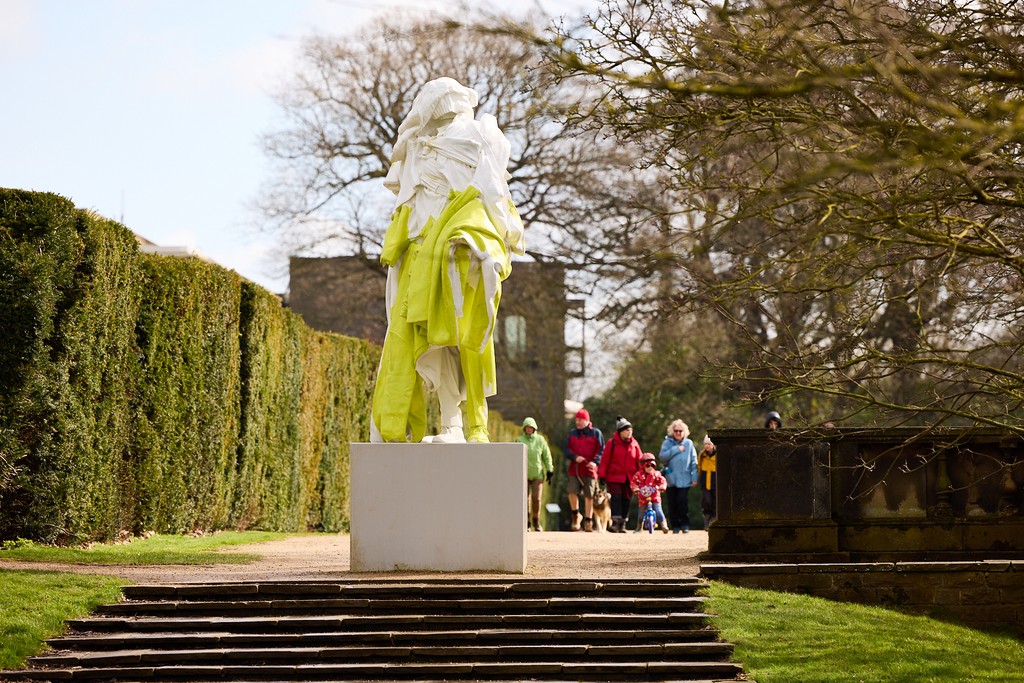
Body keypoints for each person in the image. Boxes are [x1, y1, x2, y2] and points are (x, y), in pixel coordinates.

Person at [370, 77, 526, 444]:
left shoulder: (476, 139)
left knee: (464, 340)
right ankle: (451, 424)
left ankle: (473, 426)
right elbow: (408, 207)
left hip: (461, 250)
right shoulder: (416, 148)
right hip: (421, 256)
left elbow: (492, 198)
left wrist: (494, 243)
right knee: (426, 342)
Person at [598, 416, 642, 533]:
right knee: (616, 498)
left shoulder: (634, 444)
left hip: (630, 477)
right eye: (627, 430)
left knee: (626, 499)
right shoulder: (611, 443)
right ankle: (615, 523)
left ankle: (623, 523)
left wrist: (642, 476)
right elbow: (605, 460)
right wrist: (601, 476)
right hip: (615, 476)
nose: (629, 432)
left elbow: (639, 460)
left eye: (630, 430)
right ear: (620, 431)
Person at [564, 408, 604, 531]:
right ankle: (576, 516)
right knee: (571, 492)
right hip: (574, 468)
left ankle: (588, 521)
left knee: (589, 495)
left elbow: (602, 450)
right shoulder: (572, 433)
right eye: (576, 420)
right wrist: (575, 457)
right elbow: (566, 449)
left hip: (589, 469)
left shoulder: (596, 433)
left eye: (580, 420)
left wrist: (595, 462)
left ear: (587, 420)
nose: (578, 422)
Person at [658, 419, 698, 533]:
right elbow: (662, 456)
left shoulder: (689, 443)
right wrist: (676, 449)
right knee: (672, 503)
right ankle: (675, 526)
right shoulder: (667, 443)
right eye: (676, 431)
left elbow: (694, 462)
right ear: (672, 431)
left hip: (685, 478)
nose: (678, 433)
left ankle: (685, 524)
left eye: (681, 431)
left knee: (682, 502)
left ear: (684, 432)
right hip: (671, 478)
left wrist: (695, 478)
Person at [518, 417, 553, 531]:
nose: (529, 429)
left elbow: (546, 456)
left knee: (536, 499)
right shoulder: (519, 440)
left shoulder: (540, 440)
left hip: (538, 475)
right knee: (525, 499)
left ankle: (536, 522)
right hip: (524, 475)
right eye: (527, 427)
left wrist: (549, 470)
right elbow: (515, 457)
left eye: (531, 427)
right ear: (524, 428)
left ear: (534, 428)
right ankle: (526, 523)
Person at [630, 452, 669, 533]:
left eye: (652, 465)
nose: (650, 468)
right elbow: (633, 482)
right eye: (647, 466)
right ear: (643, 466)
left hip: (655, 497)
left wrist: (661, 487)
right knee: (641, 514)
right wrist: (636, 488)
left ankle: (664, 525)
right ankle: (639, 526)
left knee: (658, 510)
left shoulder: (656, 474)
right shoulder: (638, 475)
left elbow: (662, 481)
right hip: (643, 498)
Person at [698, 434, 717, 530]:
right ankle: (707, 519)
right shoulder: (702, 456)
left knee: (715, 502)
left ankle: (713, 520)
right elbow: (699, 468)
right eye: (705, 444)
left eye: (709, 444)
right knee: (706, 502)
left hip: (715, 483)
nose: (707, 446)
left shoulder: (718, 455)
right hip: (705, 483)